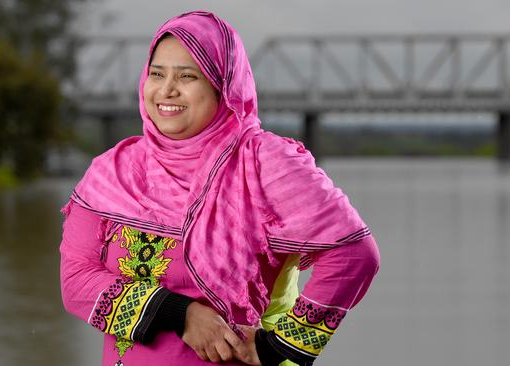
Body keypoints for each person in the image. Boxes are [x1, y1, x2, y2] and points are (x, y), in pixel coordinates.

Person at [59, 10, 380, 366]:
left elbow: (353, 254)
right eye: (156, 74)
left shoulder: (264, 165)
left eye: (187, 76)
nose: (167, 90)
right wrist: (179, 314)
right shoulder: (113, 172)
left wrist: (280, 346)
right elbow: (76, 281)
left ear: (221, 85)